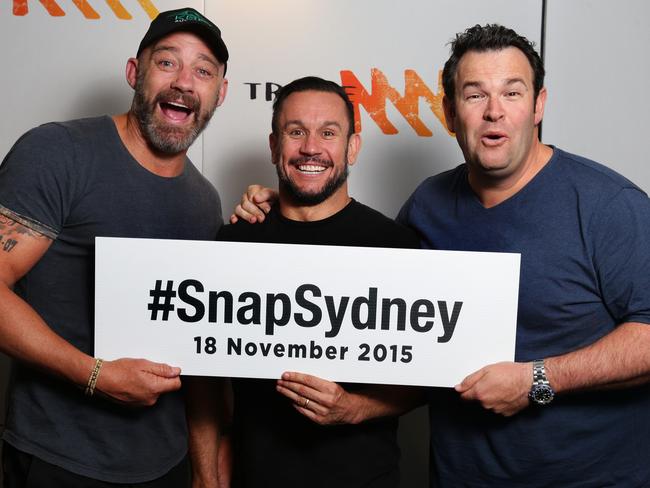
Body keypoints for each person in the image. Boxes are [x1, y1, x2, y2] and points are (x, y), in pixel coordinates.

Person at [233, 25, 650, 488]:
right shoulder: (427, 207)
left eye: (512, 92)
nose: (494, 112)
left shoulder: (607, 205)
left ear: (539, 105)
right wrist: (287, 204)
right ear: (450, 112)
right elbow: (384, 319)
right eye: (475, 96)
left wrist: (537, 379)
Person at [0, 7, 228, 486]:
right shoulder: (58, 152)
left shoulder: (207, 202)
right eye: (167, 62)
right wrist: (94, 374)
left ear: (219, 93)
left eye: (203, 71)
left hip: (165, 463)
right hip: (60, 459)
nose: (184, 82)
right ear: (134, 73)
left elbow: (201, 356)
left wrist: (206, 473)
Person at [189, 76, 423, 488]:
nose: (311, 148)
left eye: (328, 133)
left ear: (352, 147)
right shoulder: (234, 240)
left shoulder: (396, 246)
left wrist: (355, 407)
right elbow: (205, 377)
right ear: (274, 145)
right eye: (296, 132)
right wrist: (206, 474)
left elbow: (428, 376)